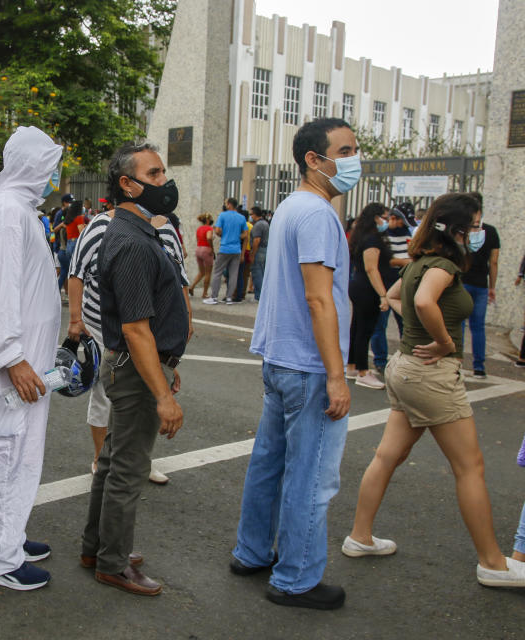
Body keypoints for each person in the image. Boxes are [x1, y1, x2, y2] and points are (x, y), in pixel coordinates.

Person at [342, 192, 525, 588]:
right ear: (458, 229)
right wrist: (442, 339)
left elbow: (393, 298)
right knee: (470, 467)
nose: (478, 233)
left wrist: (427, 328)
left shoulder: (418, 261)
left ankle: (360, 536)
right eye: (475, 226)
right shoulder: (441, 265)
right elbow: (424, 301)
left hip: (405, 369)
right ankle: (493, 564)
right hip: (431, 373)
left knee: (388, 456)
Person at [231, 118, 356, 611]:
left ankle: (252, 551)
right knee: (311, 476)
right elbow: (319, 300)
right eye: (343, 150)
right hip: (307, 366)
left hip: (281, 360)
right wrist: (337, 375)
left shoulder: (290, 207)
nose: (351, 159)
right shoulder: (318, 215)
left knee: (269, 462)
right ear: (313, 159)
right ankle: (296, 578)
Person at [81, 141, 187, 597]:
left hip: (137, 366)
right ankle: (113, 562)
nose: (165, 183)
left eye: (163, 173)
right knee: (127, 469)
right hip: (134, 370)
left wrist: (168, 366)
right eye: (156, 174)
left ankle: (99, 547)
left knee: (111, 464)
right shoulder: (129, 241)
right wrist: (162, 394)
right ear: (128, 184)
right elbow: (137, 330)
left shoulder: (136, 233)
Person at [0, 126, 63, 591]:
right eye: (50, 163)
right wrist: (12, 357)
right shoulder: (8, 213)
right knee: (8, 456)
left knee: (20, 454)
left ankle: (9, 536)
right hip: (16, 366)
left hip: (27, 363)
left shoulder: (17, 210)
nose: (55, 173)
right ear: (33, 164)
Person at [68, 196, 191, 484]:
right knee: (105, 396)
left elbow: (179, 277)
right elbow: (77, 273)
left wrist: (186, 318)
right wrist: (75, 319)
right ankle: (102, 459)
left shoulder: (166, 229)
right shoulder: (100, 226)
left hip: (154, 331)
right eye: (153, 175)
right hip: (105, 328)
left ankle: (139, 460)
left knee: (148, 396)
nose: (162, 186)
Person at [345, 203, 395, 390]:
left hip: (359, 285)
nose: (387, 220)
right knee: (364, 330)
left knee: (357, 327)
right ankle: (363, 372)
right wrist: (383, 294)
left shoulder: (362, 236)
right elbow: (371, 268)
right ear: (376, 217)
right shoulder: (372, 239)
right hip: (367, 288)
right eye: (385, 216)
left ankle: (352, 365)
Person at [370, 201, 412, 373]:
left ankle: (406, 356)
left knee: (406, 323)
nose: (402, 225)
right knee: (380, 324)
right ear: (393, 218)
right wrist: (405, 262)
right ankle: (380, 360)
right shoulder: (383, 236)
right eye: (400, 221)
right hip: (385, 283)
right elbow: (384, 261)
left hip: (403, 284)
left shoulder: (409, 234)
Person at [461, 191, 500, 378]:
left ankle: (456, 362)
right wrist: (492, 286)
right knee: (478, 327)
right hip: (481, 285)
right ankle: (479, 366)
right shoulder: (491, 232)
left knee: (458, 324)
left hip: (462, 282)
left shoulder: (462, 229)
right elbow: (493, 262)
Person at [204, 197, 248, 304]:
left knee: (218, 272)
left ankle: (214, 297)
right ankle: (229, 298)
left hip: (225, 248)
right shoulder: (241, 217)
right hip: (236, 249)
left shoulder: (223, 215)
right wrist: (237, 236)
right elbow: (245, 234)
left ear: (229, 205)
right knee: (233, 274)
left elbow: (218, 230)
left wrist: (223, 234)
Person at [189, 213, 214, 297]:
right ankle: (205, 293)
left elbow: (198, 239)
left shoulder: (199, 228)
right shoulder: (209, 228)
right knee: (208, 273)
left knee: (201, 272)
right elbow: (209, 237)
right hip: (206, 250)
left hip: (198, 249)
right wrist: (212, 248)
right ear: (207, 220)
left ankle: (192, 287)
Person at [248, 206, 269, 301]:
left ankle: (259, 296)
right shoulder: (265, 223)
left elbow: (256, 240)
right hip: (265, 250)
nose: (250, 216)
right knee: (262, 272)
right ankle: (263, 295)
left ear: (255, 214)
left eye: (251, 214)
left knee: (257, 273)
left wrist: (252, 254)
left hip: (259, 250)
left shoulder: (258, 225)